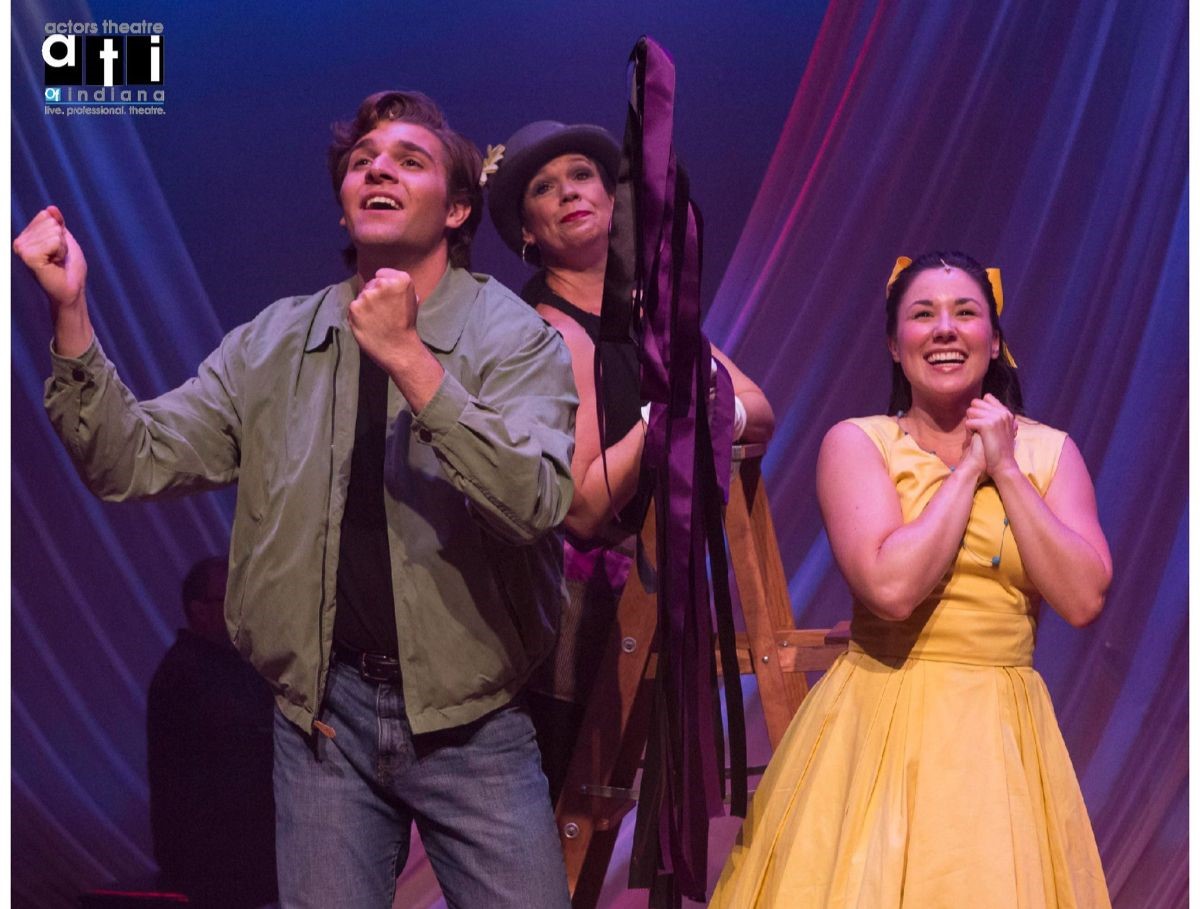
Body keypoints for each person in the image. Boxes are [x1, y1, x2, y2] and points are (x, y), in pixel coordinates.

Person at [16, 90, 577, 909]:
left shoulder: (512, 336)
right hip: (323, 725)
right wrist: (70, 313)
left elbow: (535, 500)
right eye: (362, 162)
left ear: (459, 208)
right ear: (347, 207)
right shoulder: (274, 343)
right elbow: (129, 460)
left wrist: (409, 358)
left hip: (473, 722)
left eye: (409, 160)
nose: (378, 168)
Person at [711, 251, 1112, 906]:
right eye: (922, 315)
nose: (945, 329)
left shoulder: (1048, 453)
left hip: (997, 734)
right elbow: (892, 589)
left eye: (966, 313)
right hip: (879, 718)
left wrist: (1006, 469)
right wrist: (967, 473)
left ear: (996, 339)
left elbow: (1083, 596)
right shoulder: (859, 443)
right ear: (896, 347)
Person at [486, 120, 775, 801]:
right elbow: (583, 506)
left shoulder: (649, 315)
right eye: (543, 187)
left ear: (614, 202)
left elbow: (758, 409)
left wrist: (711, 406)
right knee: (557, 813)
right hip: (568, 622)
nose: (568, 193)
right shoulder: (547, 329)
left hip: (643, 602)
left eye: (582, 176)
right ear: (528, 232)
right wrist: (661, 420)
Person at [147, 556, 277, 908]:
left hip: (237, 857)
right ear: (199, 610)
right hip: (214, 864)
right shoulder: (185, 674)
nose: (244, 606)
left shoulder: (229, 668)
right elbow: (241, 754)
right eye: (232, 596)